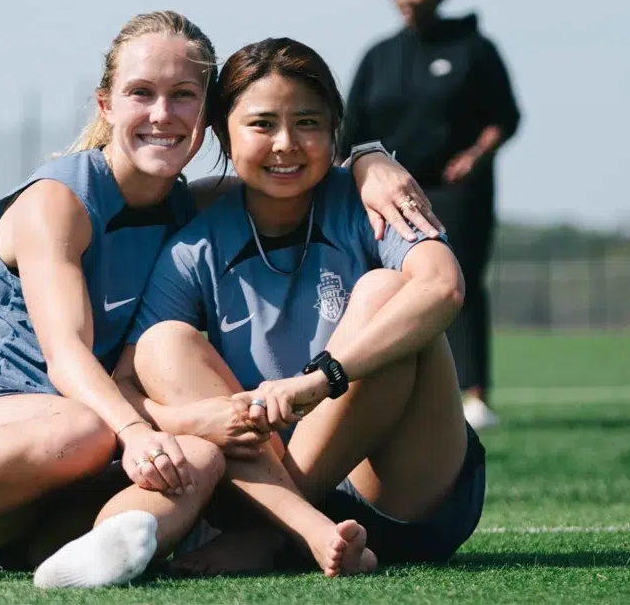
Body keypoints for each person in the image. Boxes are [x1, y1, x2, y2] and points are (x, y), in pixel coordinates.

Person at [0, 12, 441, 589]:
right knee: (86, 428)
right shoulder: (58, 200)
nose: (162, 114)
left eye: (183, 97)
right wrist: (141, 433)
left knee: (197, 457)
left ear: (208, 121)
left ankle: (88, 560)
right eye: (142, 93)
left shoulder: (183, 204)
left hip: (84, 464)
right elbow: (67, 357)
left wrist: (371, 159)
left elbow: (285, 171)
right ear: (106, 104)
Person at [113, 37, 485, 577]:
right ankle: (297, 527)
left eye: (308, 123)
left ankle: (270, 536)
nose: (286, 144)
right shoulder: (194, 247)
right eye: (262, 124)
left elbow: (443, 287)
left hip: (395, 494)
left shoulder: (372, 200)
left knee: (386, 292)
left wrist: (321, 378)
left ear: (335, 131)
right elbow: (128, 383)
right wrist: (201, 418)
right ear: (222, 133)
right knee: (161, 343)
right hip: (262, 481)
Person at [339, 0, 521, 429]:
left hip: (455, 191)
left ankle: (475, 395)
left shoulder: (474, 49)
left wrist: (477, 153)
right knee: (387, 286)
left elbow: (505, 116)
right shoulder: (379, 55)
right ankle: (388, 389)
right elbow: (351, 129)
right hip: (389, 194)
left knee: (460, 281)